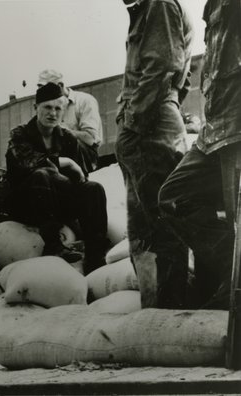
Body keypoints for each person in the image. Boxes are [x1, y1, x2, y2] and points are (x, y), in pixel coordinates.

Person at [159, 0, 241, 309]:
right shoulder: (212, 7)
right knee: (173, 196)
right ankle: (230, 269)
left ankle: (231, 288)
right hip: (213, 132)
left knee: (238, 215)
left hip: (238, 130)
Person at [115, 0, 193, 308]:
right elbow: (178, 77)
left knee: (161, 225)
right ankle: (155, 315)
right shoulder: (147, 9)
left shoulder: (158, 4)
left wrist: (134, 121)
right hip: (150, 124)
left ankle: (168, 313)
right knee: (143, 229)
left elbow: (162, 66)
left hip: (148, 128)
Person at [5, 82, 109, 274]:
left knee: (93, 189)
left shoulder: (67, 138)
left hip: (55, 204)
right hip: (27, 204)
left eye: (58, 108)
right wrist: (67, 163)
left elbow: (80, 178)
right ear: (36, 108)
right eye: (47, 107)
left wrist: (77, 179)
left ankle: (95, 256)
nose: (53, 113)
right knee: (42, 174)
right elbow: (28, 163)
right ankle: (53, 247)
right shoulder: (20, 134)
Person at [37, 69, 103, 149]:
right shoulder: (46, 105)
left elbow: (91, 139)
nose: (43, 94)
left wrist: (60, 132)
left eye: (47, 90)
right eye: (41, 90)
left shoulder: (85, 101)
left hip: (83, 155)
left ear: (60, 86)